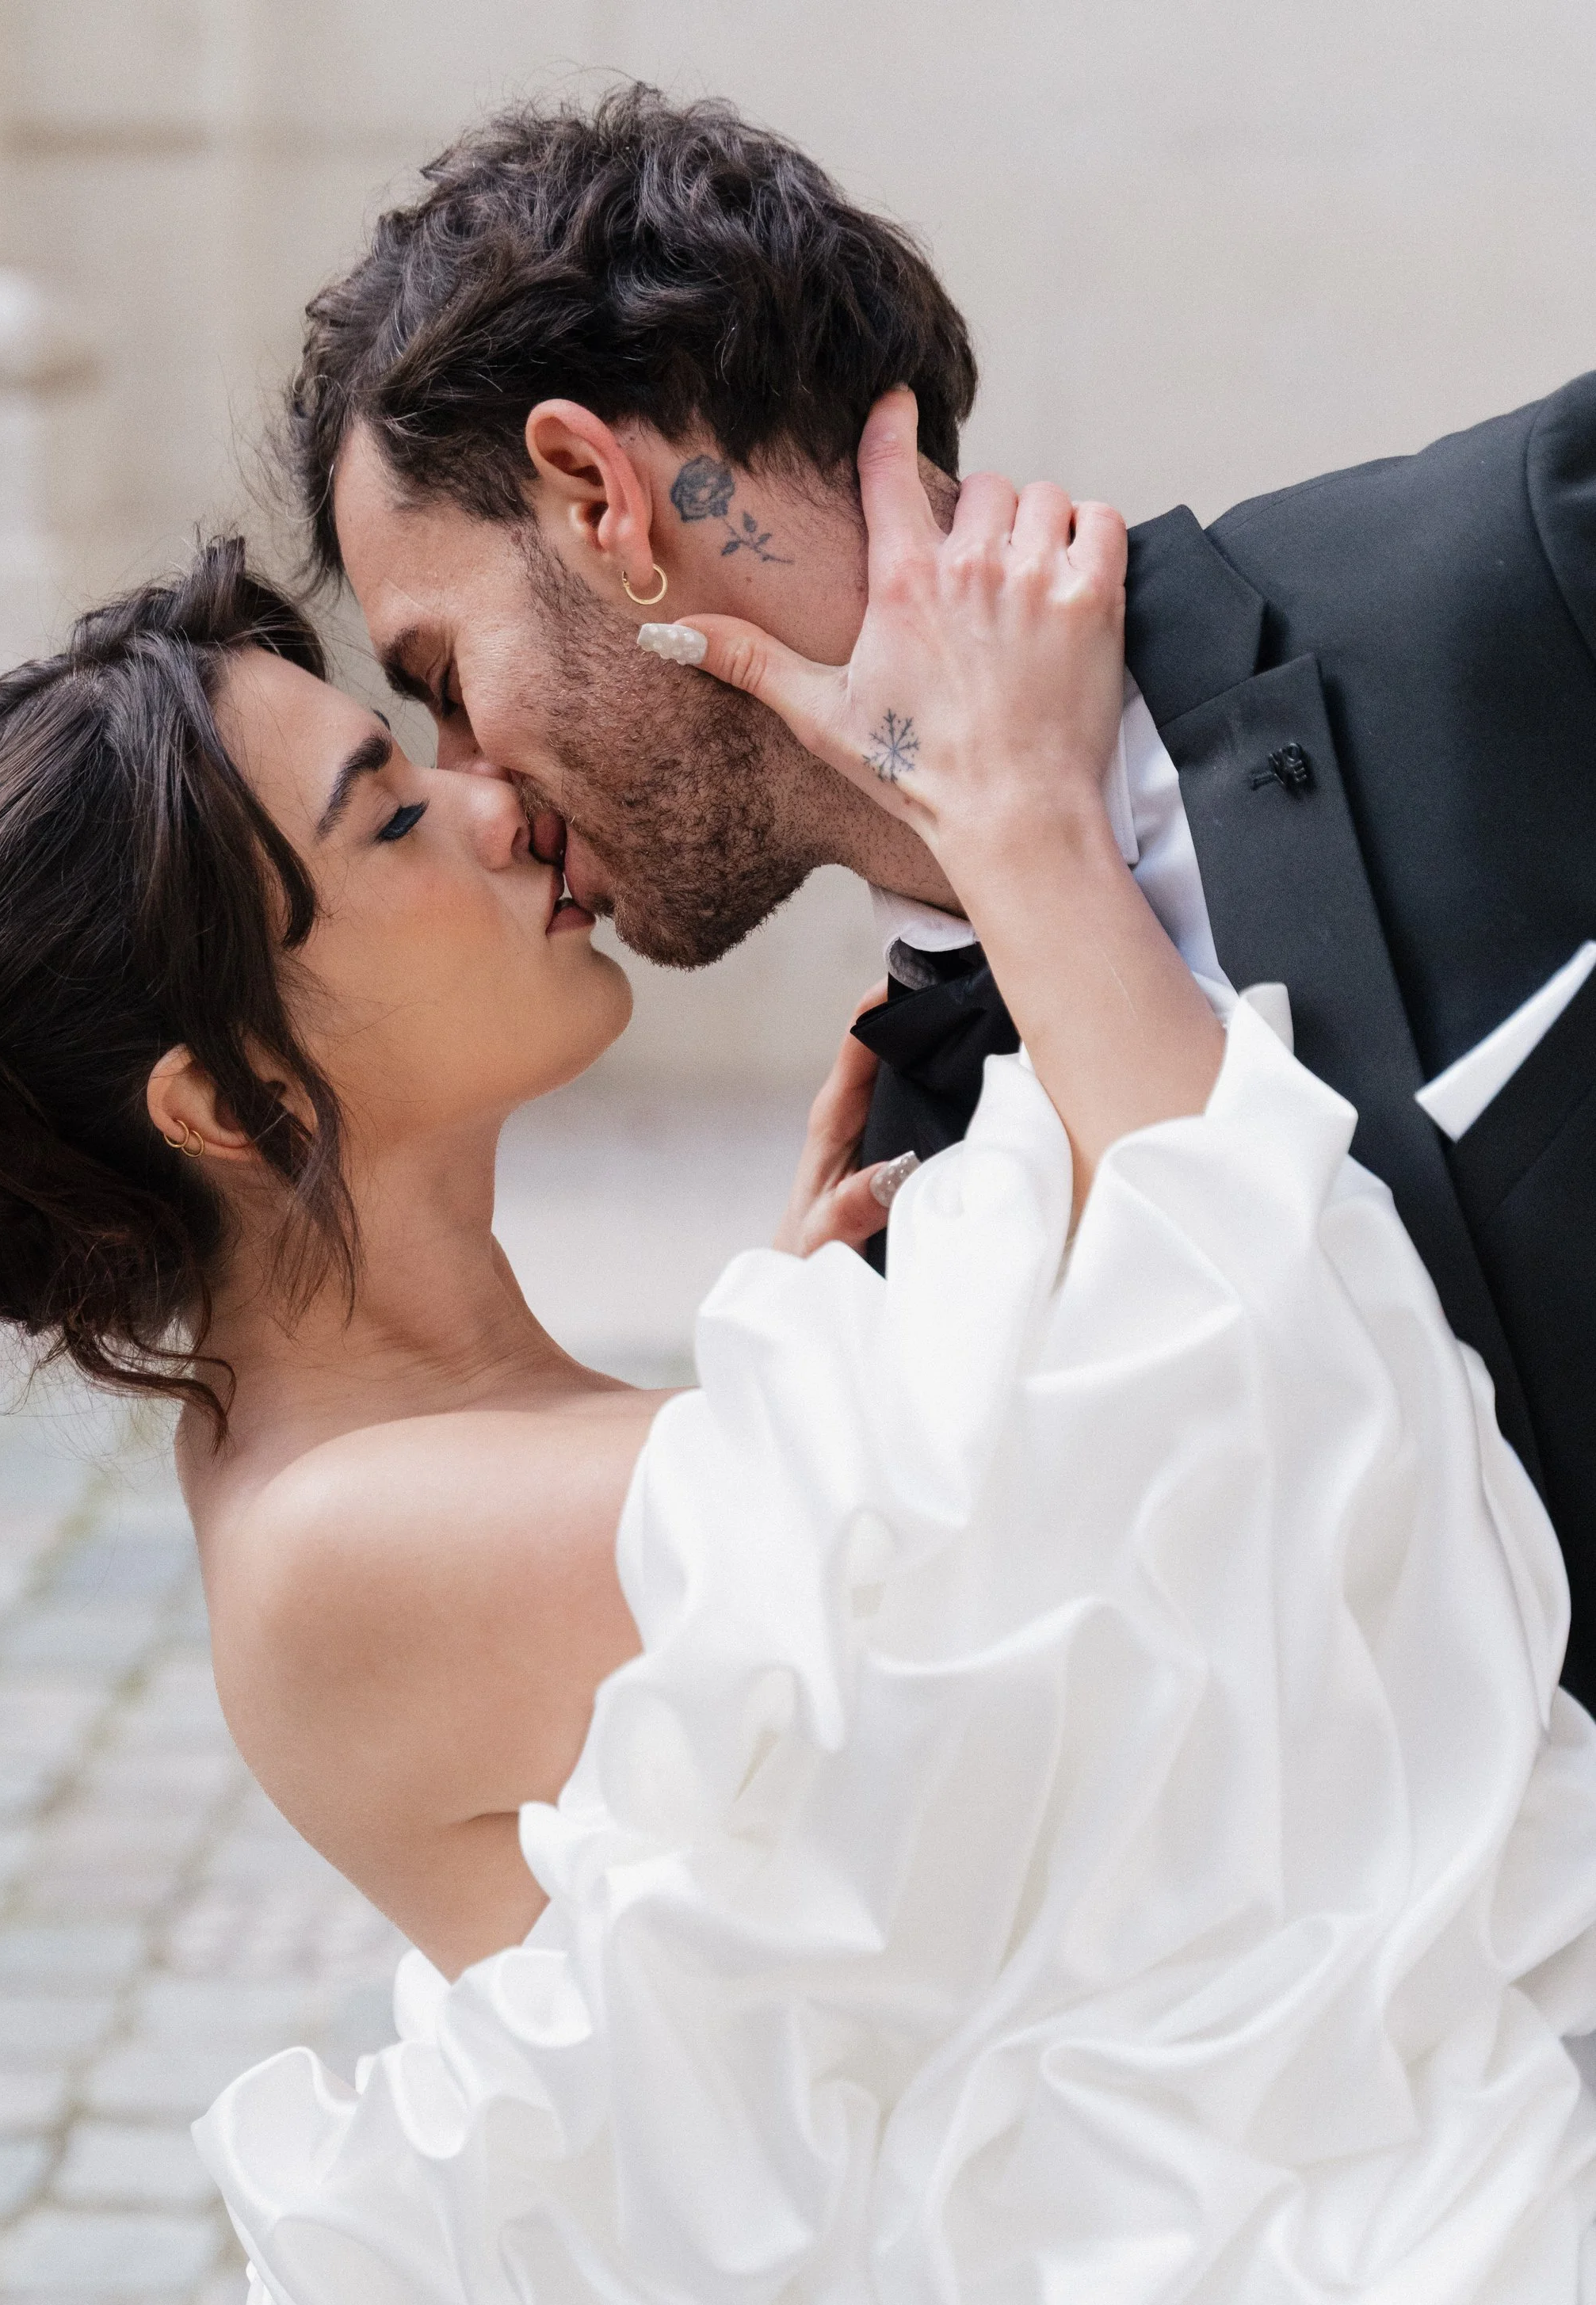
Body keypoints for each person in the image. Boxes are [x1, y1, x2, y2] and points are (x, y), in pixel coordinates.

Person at [0, 414, 1596, 2305]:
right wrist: (1018, 827)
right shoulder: (338, 1549)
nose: (492, 804)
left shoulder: (423, 1445)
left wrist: (814, 1357)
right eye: (388, 815)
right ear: (233, 1102)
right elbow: (1281, 1438)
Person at [288, 84, 1596, 1700]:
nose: (472, 781)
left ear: (596, 497)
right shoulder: (899, 1224)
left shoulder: (1512, 579)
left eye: (443, 677)